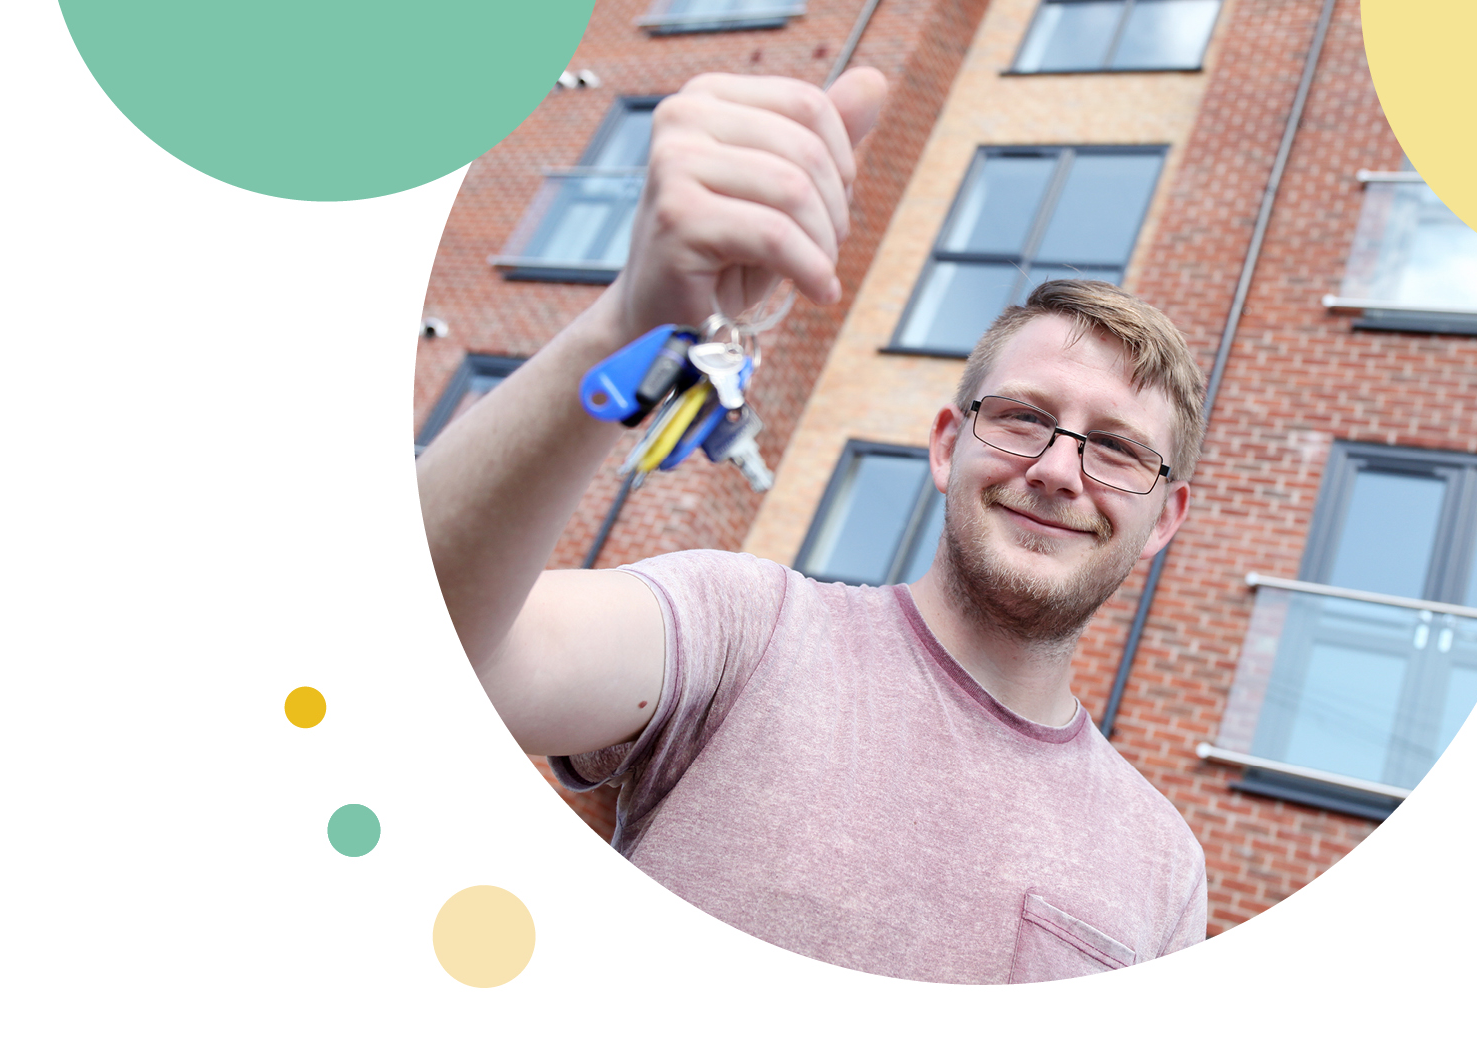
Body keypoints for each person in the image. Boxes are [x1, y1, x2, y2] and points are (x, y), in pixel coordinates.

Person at [418, 68, 1209, 984]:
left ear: (1162, 519)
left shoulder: (1165, 867)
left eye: (1114, 449)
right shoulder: (744, 626)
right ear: (949, 445)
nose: (1058, 470)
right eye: (1024, 418)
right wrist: (631, 321)